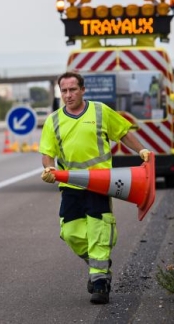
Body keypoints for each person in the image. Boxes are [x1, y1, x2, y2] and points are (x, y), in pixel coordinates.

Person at [39, 71, 151, 305]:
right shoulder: (53, 121)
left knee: (99, 229)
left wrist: (141, 151)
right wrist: (49, 170)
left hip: (101, 183)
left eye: (72, 90)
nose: (68, 95)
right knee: (70, 232)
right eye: (64, 91)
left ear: (82, 90)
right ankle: (99, 264)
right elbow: (47, 154)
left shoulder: (100, 111)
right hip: (71, 185)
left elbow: (123, 133)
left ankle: (100, 282)